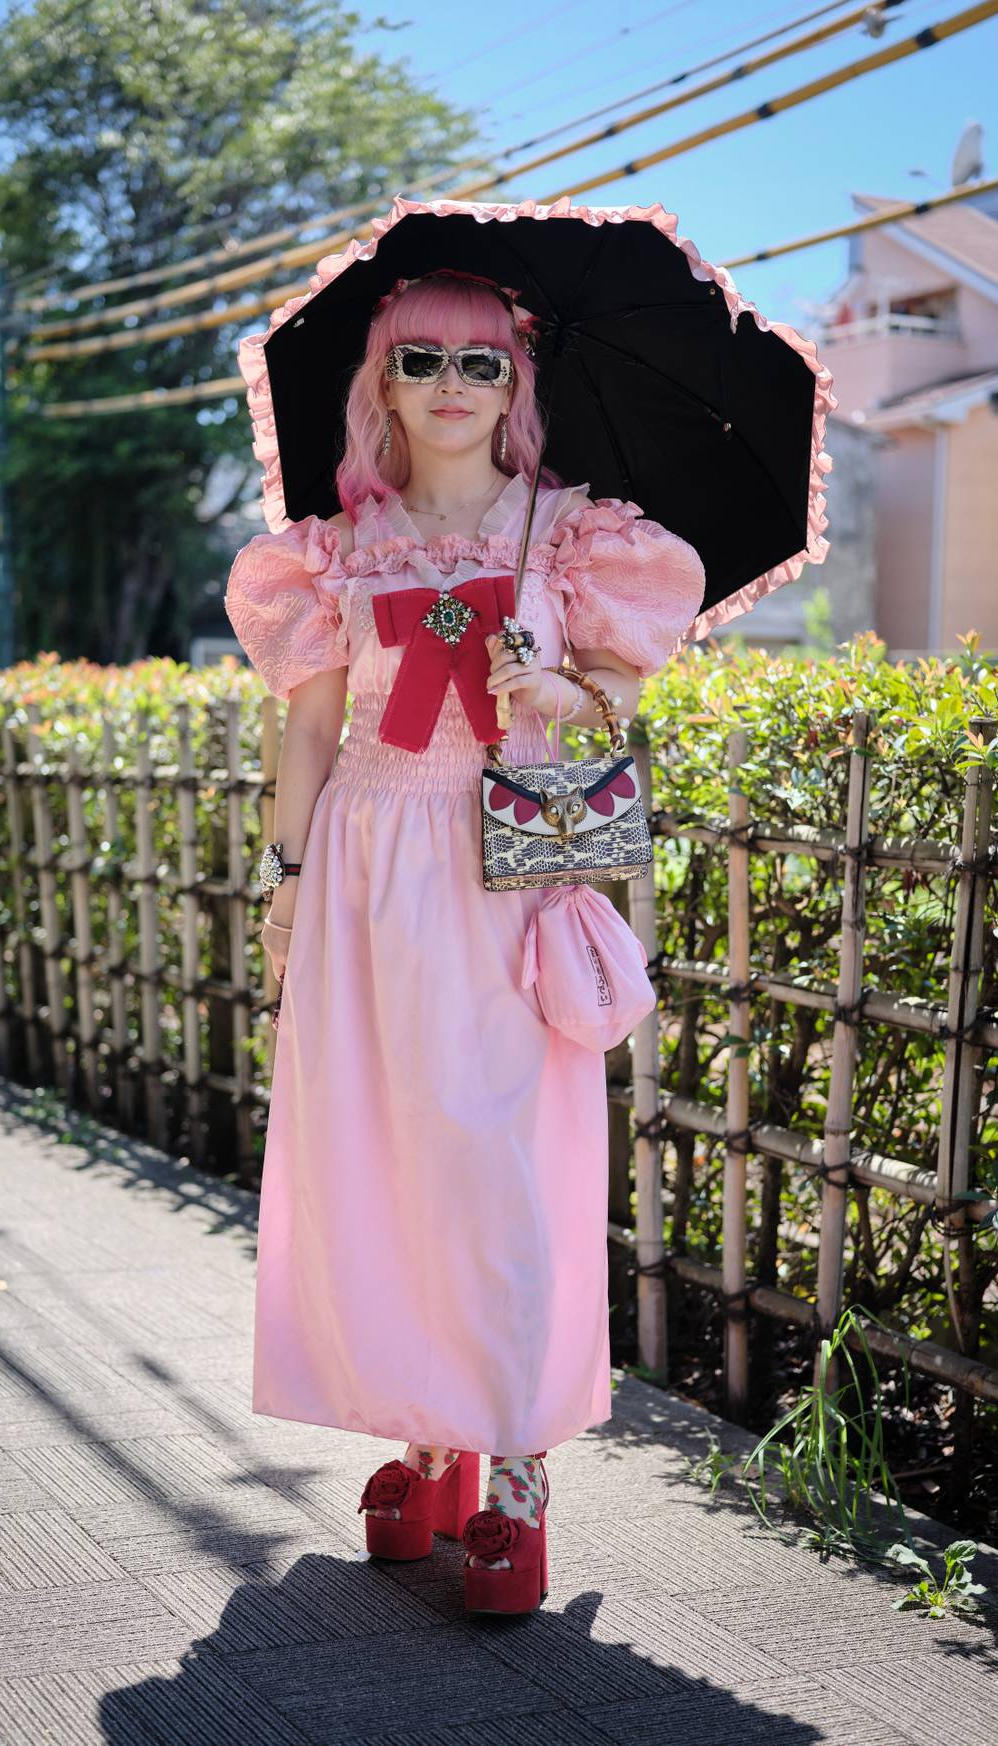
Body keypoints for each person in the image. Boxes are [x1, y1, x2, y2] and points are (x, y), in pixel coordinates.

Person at [225, 268, 706, 1614]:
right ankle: (426, 1445)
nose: (450, 383)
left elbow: (617, 709)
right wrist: (283, 884)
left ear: (518, 384)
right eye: (420, 356)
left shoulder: (572, 535)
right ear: (379, 380)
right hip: (366, 873)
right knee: (381, 1157)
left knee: (502, 1175)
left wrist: (566, 685)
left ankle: (517, 1487)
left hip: (507, 872)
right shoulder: (331, 548)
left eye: (481, 363)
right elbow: (311, 732)